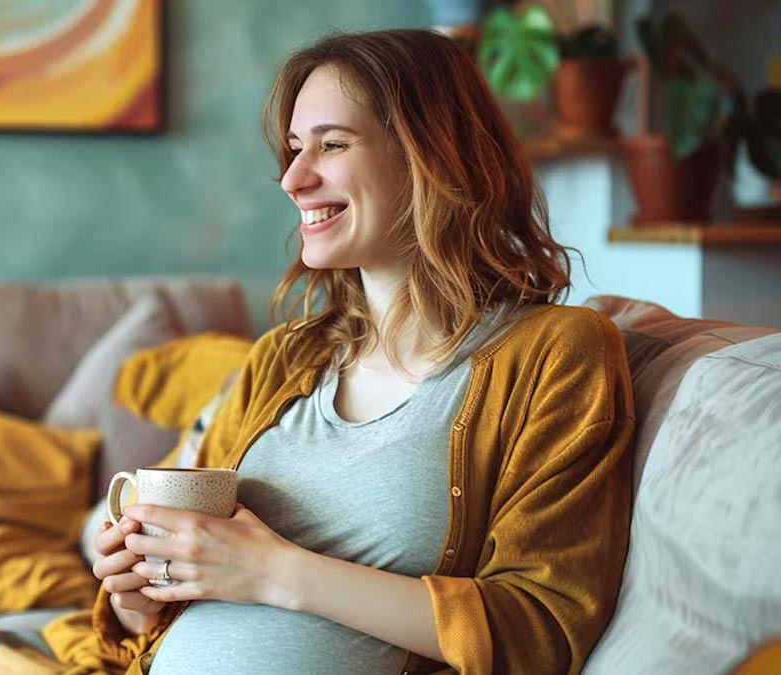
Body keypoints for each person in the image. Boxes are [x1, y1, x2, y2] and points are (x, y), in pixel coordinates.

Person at [89, 29, 635, 675]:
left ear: (433, 154)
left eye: (333, 144)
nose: (294, 178)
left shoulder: (555, 354)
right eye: (294, 149)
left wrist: (275, 571)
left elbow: (541, 628)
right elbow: (181, 595)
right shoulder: (284, 359)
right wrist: (136, 600)